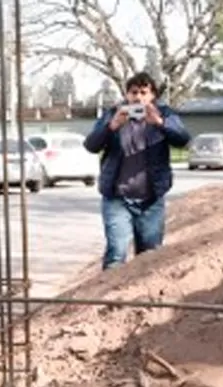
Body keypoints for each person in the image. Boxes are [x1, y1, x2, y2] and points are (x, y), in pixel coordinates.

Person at [83, 71, 191, 269]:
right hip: (117, 199)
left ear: (153, 96)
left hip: (151, 200)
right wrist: (111, 126)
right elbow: (91, 145)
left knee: (150, 257)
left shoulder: (164, 114)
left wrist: (160, 123)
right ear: (126, 95)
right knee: (116, 253)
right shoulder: (113, 114)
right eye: (133, 92)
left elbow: (183, 139)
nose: (138, 97)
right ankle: (112, 299)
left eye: (144, 92)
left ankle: (144, 299)